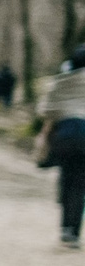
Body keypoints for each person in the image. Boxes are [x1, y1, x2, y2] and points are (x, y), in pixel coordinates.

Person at [35, 46, 85, 248]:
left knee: (66, 178)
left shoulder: (60, 81)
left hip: (63, 137)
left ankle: (65, 226)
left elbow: (45, 111)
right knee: (80, 184)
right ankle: (72, 232)